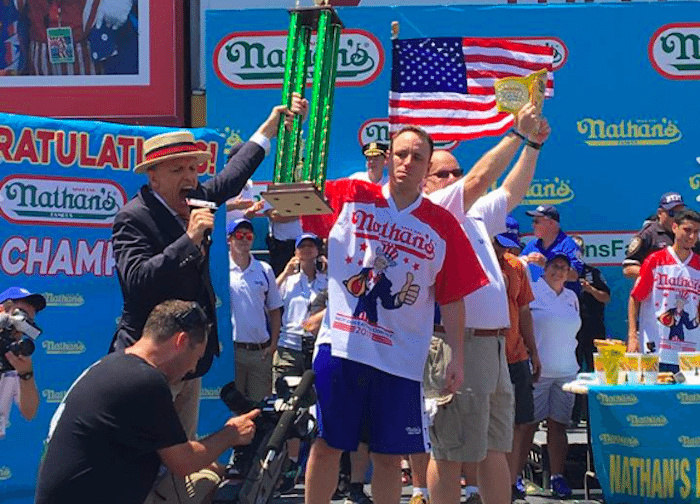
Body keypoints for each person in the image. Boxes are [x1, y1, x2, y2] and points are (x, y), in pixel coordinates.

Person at [304, 125, 488, 504]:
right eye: (400, 154)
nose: (407, 162)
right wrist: (298, 127)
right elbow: (297, 197)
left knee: (389, 458)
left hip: (401, 360)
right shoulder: (349, 194)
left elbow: (453, 299)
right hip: (342, 347)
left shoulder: (443, 225)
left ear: (427, 168)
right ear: (387, 158)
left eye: (417, 157)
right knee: (327, 444)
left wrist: (457, 356)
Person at [110, 96, 306, 438]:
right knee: (147, 457)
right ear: (153, 178)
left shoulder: (198, 197)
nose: (189, 177)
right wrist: (188, 238)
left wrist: (268, 129)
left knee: (181, 452)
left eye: (193, 168)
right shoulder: (134, 217)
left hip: (188, 362)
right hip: (150, 362)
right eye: (177, 170)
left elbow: (232, 177)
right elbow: (137, 281)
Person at [425, 105, 549, 504]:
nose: (451, 178)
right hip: (456, 342)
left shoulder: (475, 214)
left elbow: (512, 191)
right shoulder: (434, 209)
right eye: (441, 173)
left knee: (496, 446)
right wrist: (516, 132)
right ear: (426, 183)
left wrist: (532, 144)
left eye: (454, 172)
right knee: (449, 449)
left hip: (496, 344)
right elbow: (481, 177)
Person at [35, 299, 260, 504]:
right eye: (197, 358)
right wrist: (231, 433)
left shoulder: (116, 366)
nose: (192, 368)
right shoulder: (145, 381)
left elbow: (168, 450)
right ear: (181, 341)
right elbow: (184, 463)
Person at [524, 254, 581, 498]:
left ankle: (557, 478)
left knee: (559, 427)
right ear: (545, 269)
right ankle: (516, 476)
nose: (559, 272)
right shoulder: (533, 290)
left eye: (564, 268)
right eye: (554, 267)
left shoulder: (572, 297)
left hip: (567, 372)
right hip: (538, 372)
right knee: (527, 426)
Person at [491, 222, 541, 502]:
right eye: (499, 243)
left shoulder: (516, 267)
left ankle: (511, 481)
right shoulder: (477, 261)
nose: (504, 250)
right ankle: (482, 484)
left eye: (508, 245)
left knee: (522, 420)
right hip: (486, 352)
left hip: (516, 353)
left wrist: (534, 351)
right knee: (488, 421)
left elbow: (524, 310)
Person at [628, 209, 700, 372]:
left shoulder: (699, 265)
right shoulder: (655, 260)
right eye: (687, 230)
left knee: (688, 397)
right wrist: (633, 336)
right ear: (674, 227)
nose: (691, 236)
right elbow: (635, 297)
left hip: (690, 353)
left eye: (696, 232)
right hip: (655, 349)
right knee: (653, 395)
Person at [227, 218, 283, 401]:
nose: (244, 240)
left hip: (261, 352)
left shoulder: (264, 269)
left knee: (259, 409)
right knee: (233, 410)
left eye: (249, 236)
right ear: (229, 239)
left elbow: (275, 309)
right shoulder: (221, 270)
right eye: (239, 235)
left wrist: (273, 344)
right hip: (232, 352)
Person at [0, 287, 44, 439]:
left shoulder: (13, 360)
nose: (19, 327)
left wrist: (26, 374)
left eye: (28, 322)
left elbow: (29, 412)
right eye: (20, 315)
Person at [622, 192, 688, 280]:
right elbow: (628, 268)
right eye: (672, 213)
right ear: (660, 213)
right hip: (656, 290)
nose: (677, 217)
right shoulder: (648, 234)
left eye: (681, 213)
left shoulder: (689, 233)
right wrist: (659, 275)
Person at [570, 235, 610, 372]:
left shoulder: (593, 273)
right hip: (571, 330)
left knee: (595, 368)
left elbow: (606, 297)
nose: (576, 252)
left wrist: (591, 289)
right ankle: (575, 394)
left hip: (593, 328)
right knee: (573, 368)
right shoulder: (561, 273)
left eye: (579, 249)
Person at [520, 205, 582, 290]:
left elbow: (574, 276)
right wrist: (522, 261)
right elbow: (518, 270)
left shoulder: (568, 245)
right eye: (533, 222)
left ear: (551, 223)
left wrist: (545, 264)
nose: (533, 226)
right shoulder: (532, 245)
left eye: (536, 221)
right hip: (536, 300)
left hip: (562, 299)